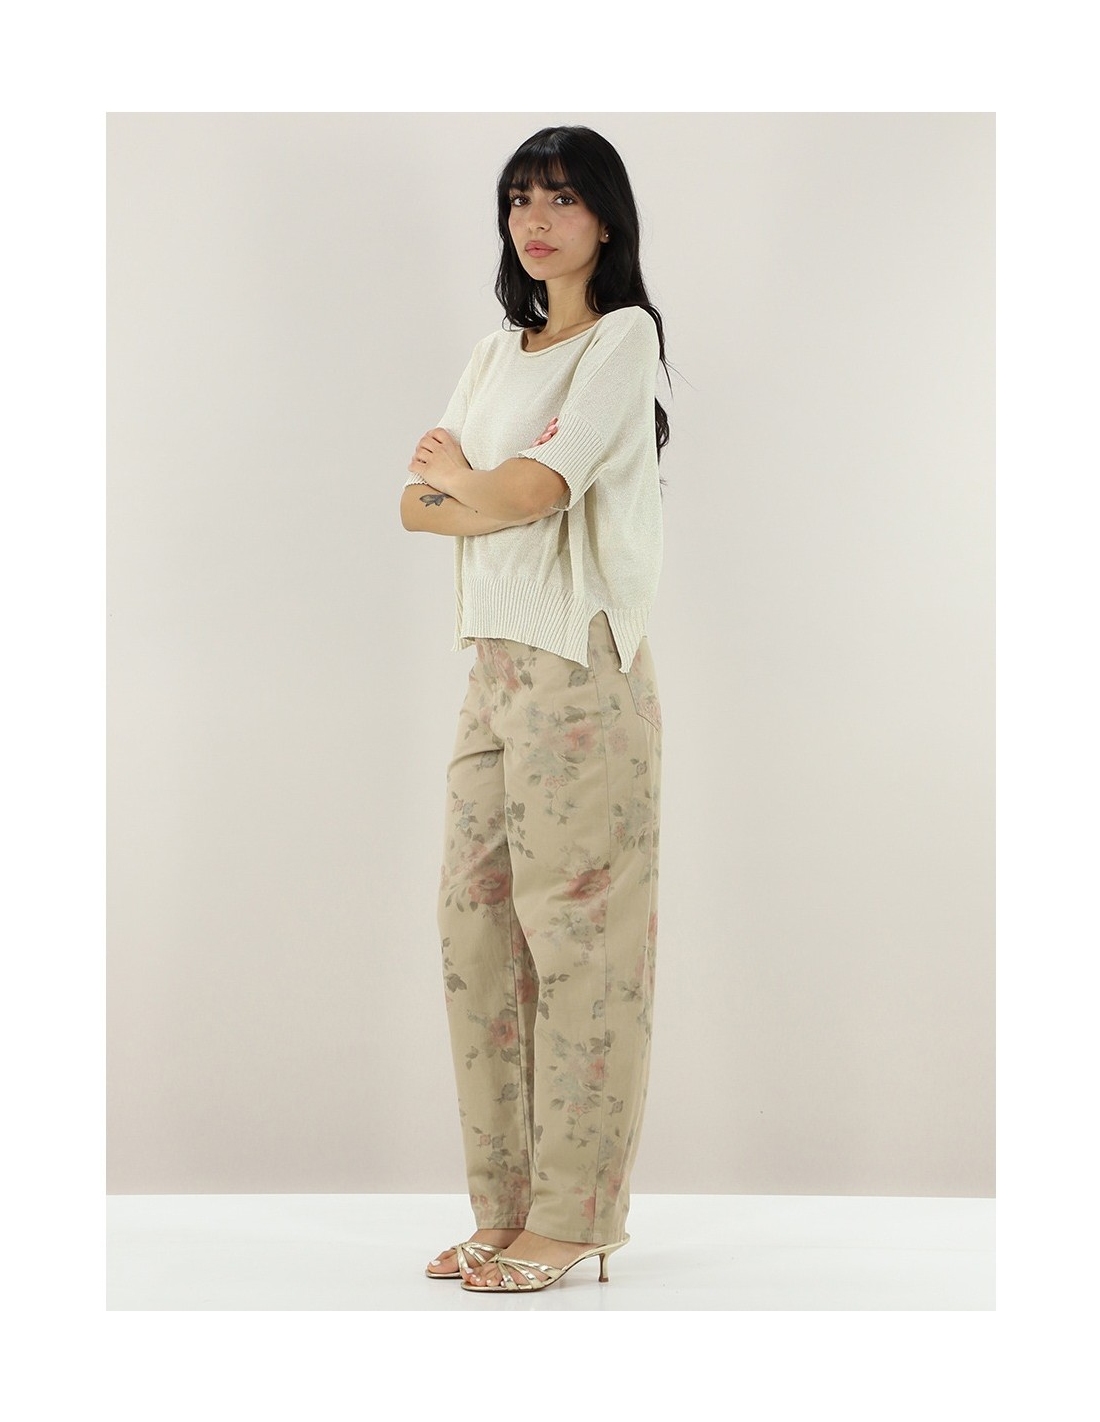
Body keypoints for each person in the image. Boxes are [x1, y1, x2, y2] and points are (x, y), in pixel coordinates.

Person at [400, 124, 670, 1294]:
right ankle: (503, 1210)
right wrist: (478, 493)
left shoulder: (620, 339)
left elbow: (533, 487)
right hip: (492, 673)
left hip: (580, 671)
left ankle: (575, 1218)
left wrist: (470, 484)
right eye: (518, 199)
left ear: (604, 217)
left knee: (579, 943)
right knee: (474, 931)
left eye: (560, 197)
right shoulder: (492, 354)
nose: (534, 220)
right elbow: (416, 504)